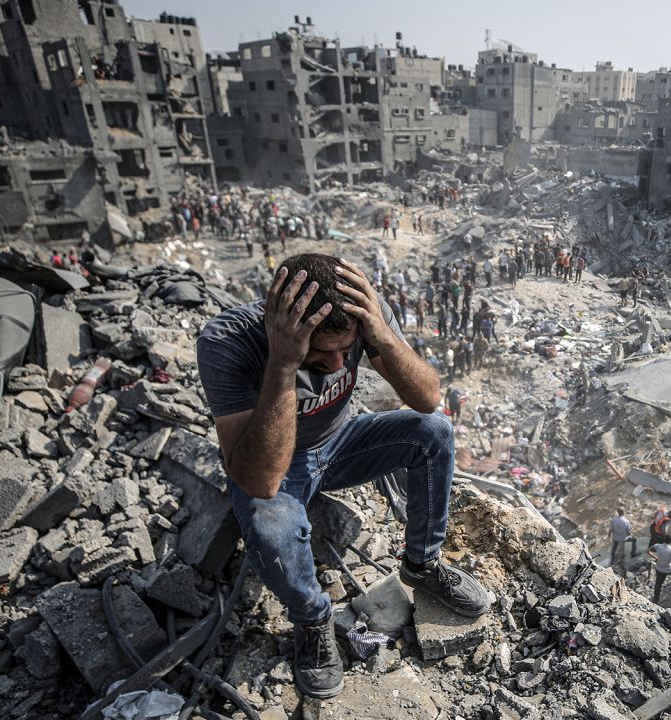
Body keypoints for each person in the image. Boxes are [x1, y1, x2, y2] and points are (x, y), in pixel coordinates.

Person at [195, 255, 489, 699]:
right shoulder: (229, 341)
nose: (336, 365)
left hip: (343, 443)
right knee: (270, 523)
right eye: (319, 355)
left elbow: (427, 398)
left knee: (434, 432)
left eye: (344, 350)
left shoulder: (360, 313)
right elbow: (261, 481)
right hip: (277, 463)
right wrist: (283, 364)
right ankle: (313, 621)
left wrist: (380, 332)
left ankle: (422, 564)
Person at [648, 534, 671, 604]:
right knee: (661, 580)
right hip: (667, 569)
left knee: (658, 584)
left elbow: (648, 551)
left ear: (664, 539)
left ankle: (655, 599)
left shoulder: (657, 546)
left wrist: (656, 557)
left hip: (658, 567)